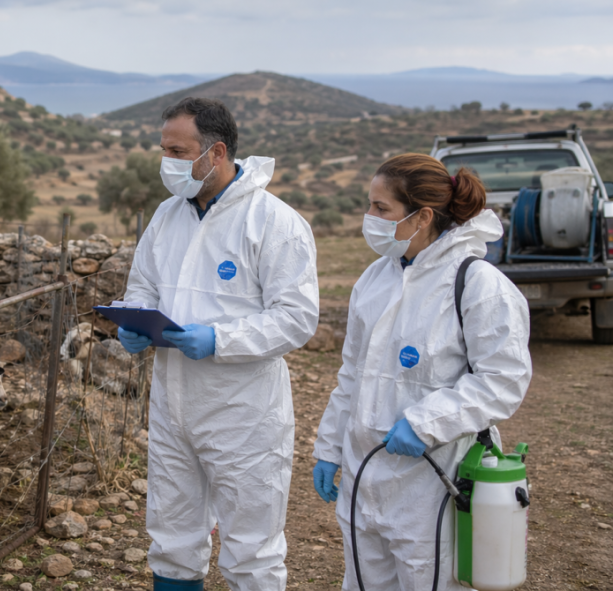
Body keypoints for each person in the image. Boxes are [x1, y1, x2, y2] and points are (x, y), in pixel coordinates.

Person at [120, 97, 319, 591]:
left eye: (177, 150)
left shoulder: (274, 223)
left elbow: (297, 319)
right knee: (172, 532)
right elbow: (144, 283)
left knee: (251, 545)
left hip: (243, 414)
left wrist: (220, 339)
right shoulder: (167, 217)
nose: (167, 161)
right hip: (173, 405)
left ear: (216, 152)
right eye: (163, 149)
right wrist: (135, 320)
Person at [311, 154, 532, 590]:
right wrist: (330, 447)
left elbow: (503, 380)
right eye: (368, 205)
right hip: (365, 470)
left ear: (423, 216)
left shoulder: (476, 283)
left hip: (433, 478)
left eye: (381, 209)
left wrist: (423, 422)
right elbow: (351, 374)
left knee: (429, 578)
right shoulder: (374, 280)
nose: (368, 218)